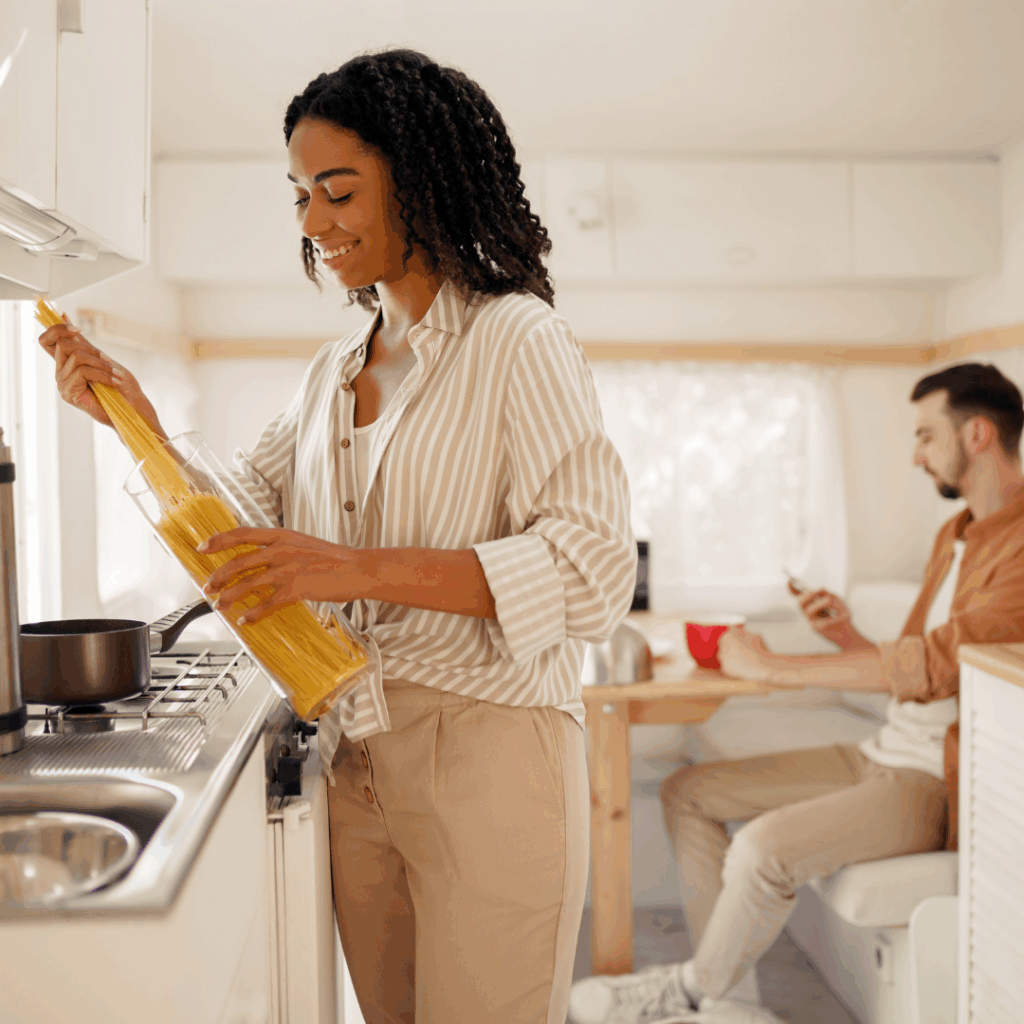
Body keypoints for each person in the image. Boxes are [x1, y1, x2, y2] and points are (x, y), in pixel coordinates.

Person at [38, 48, 637, 1024]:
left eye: (339, 190)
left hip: (491, 756)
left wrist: (357, 568)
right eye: (299, 196)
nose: (313, 224)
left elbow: (590, 571)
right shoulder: (330, 371)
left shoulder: (517, 339)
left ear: (423, 179)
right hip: (356, 751)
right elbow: (240, 517)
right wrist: (131, 414)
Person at [569, 362, 1024, 1024]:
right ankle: (731, 998)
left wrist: (779, 668)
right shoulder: (953, 537)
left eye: (927, 435)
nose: (916, 454)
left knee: (763, 848)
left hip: (928, 781)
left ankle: (692, 992)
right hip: (883, 751)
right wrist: (845, 635)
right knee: (686, 791)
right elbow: (909, 667)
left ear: (978, 433)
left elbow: (934, 665)